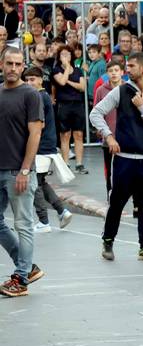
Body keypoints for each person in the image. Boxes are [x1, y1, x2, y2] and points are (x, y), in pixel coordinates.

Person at [90, 53, 143, 261]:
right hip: (124, 157)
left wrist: (142, 107)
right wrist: (108, 136)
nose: (127, 69)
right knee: (117, 202)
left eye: (131, 66)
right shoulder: (121, 91)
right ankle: (108, 241)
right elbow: (95, 113)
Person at [0, 48, 45, 297]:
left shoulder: (30, 94)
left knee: (23, 225)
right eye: (9, 63)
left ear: (23, 66)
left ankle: (21, 280)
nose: (13, 68)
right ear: (2, 64)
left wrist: (25, 170)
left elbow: (35, 133)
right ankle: (26, 267)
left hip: (19, 171)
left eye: (18, 64)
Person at [24, 67, 73, 233]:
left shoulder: (38, 97)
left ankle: (43, 221)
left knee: (34, 184)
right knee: (40, 182)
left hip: (40, 146)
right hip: (46, 145)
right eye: (27, 79)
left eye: (32, 79)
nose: (29, 82)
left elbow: (40, 124)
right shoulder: (42, 96)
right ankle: (62, 211)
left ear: (40, 80)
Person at [52, 45, 88, 174]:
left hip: (77, 104)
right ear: (59, 57)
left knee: (78, 134)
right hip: (64, 105)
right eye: (63, 55)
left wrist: (69, 82)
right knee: (65, 135)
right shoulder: (56, 70)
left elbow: (82, 87)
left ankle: (79, 164)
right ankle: (66, 164)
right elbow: (61, 82)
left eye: (68, 54)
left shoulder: (78, 71)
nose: (65, 57)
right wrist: (67, 68)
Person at [93, 60, 125, 200]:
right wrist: (100, 129)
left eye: (116, 70)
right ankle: (109, 191)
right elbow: (96, 110)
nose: (114, 73)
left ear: (122, 72)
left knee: (125, 166)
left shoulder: (128, 88)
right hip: (108, 133)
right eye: (111, 71)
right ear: (107, 73)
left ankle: (124, 191)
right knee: (109, 166)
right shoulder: (101, 90)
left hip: (126, 134)